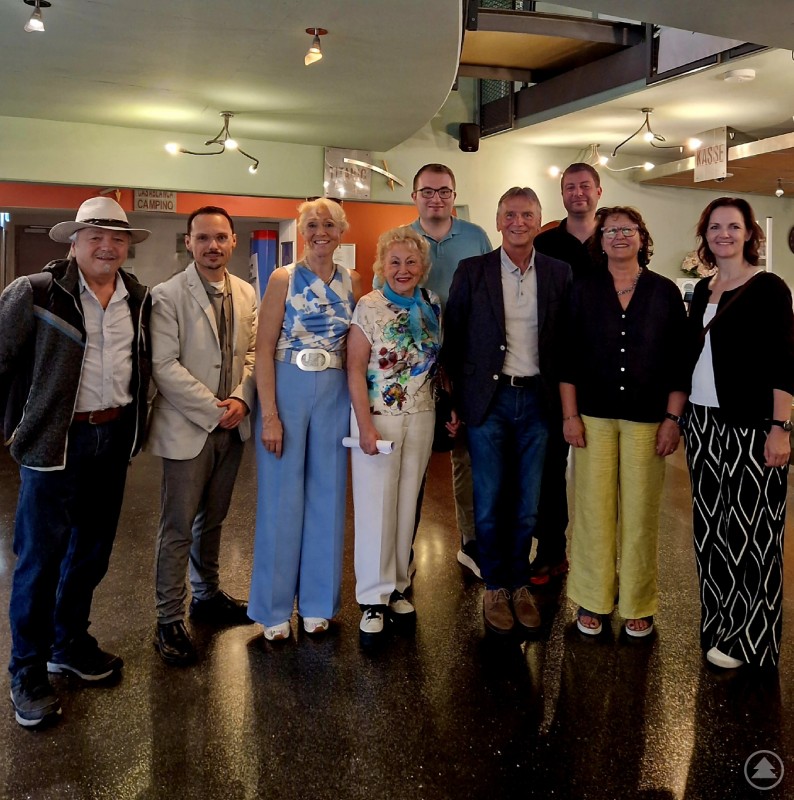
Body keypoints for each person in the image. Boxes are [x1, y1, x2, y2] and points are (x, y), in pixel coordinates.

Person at [0, 197, 152, 727]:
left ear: (127, 246)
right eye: (96, 237)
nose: (107, 246)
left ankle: (68, 643)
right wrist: (14, 428)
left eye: (117, 238)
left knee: (90, 552)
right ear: (74, 241)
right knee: (39, 560)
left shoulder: (137, 296)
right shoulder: (37, 292)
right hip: (52, 445)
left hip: (110, 438)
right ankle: (27, 670)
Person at [442, 187, 571, 635]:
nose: (519, 222)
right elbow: (453, 341)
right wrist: (456, 403)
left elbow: (567, 342)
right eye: (510, 215)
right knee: (491, 499)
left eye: (528, 215)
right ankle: (495, 585)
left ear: (539, 222)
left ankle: (520, 584)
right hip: (488, 402)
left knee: (527, 503)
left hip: (538, 401)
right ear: (498, 221)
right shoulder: (472, 271)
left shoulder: (559, 273)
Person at [560, 206, 688, 639]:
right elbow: (567, 358)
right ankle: (592, 599)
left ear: (641, 236)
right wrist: (570, 414)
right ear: (600, 239)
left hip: (648, 420)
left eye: (627, 229)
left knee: (640, 514)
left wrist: (673, 418)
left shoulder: (665, 292)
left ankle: (638, 602)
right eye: (610, 229)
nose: (618, 236)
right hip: (592, 417)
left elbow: (679, 362)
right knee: (593, 513)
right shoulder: (582, 289)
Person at [685, 197, 794, 669]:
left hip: (752, 425)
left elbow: (784, 363)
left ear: (750, 232)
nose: (722, 234)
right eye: (714, 226)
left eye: (732, 226)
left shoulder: (769, 287)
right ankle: (720, 624)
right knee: (711, 530)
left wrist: (781, 428)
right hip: (702, 423)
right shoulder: (700, 290)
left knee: (755, 533)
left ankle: (753, 639)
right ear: (705, 234)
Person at [147, 206, 257, 666]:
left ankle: (206, 595)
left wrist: (241, 399)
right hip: (188, 425)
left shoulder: (248, 292)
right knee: (177, 527)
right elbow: (163, 365)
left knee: (212, 519)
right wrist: (214, 409)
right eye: (203, 238)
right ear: (188, 243)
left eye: (221, 238)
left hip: (233, 423)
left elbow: (253, 352)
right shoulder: (167, 295)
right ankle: (168, 618)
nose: (213, 246)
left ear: (233, 241)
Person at [249, 198, 361, 641]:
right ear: (301, 230)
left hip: (333, 392)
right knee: (280, 499)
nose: (320, 231)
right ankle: (273, 608)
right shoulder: (283, 278)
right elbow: (262, 348)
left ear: (340, 232)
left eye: (328, 224)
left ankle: (317, 603)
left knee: (328, 496)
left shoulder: (353, 280)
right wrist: (270, 415)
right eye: (312, 224)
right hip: (287, 386)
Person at [349, 226, 456, 635]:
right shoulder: (369, 306)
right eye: (394, 262)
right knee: (377, 505)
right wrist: (363, 425)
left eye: (411, 262)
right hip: (379, 417)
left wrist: (448, 406)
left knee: (407, 504)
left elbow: (437, 362)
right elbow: (355, 369)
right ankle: (372, 599)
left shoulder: (432, 303)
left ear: (423, 267)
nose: (403, 269)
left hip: (422, 414)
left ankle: (397, 586)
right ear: (382, 265)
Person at [408, 164, 492, 580]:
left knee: (466, 457)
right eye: (428, 191)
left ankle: (471, 542)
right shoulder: (403, 240)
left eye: (444, 191)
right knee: (413, 458)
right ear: (415, 197)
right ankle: (402, 548)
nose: (436, 198)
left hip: (465, 363)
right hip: (414, 368)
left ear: (454, 195)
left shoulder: (476, 236)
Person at [532, 163, 603, 586]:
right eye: (570, 187)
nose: (578, 193)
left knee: (599, 469)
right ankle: (551, 551)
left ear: (598, 191)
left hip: (603, 365)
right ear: (562, 194)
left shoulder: (612, 236)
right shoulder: (545, 242)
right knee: (549, 465)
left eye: (584, 187)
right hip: (552, 364)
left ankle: (598, 558)